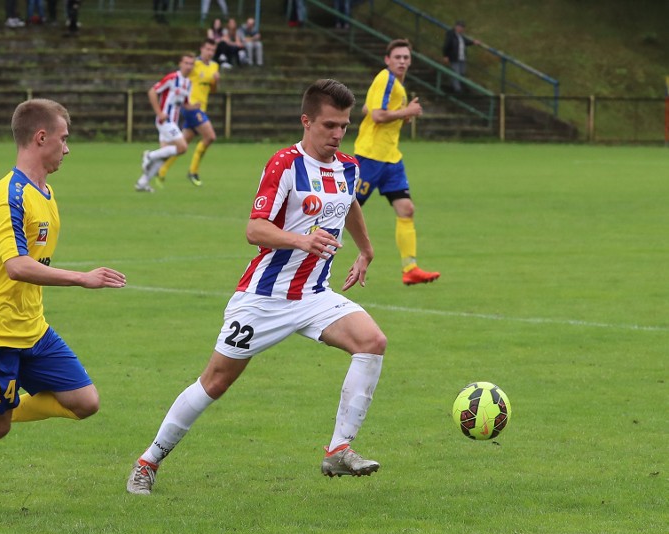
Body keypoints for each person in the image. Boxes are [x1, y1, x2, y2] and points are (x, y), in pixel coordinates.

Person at [127, 79, 388, 496]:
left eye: (344, 125)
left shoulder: (348, 166)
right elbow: (254, 229)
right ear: (306, 122)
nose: (338, 134)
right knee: (214, 381)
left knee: (372, 342)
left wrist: (367, 251)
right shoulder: (284, 164)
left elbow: (349, 203)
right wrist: (302, 240)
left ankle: (339, 448)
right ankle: (148, 460)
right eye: (329, 126)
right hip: (264, 298)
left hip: (315, 295)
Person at [0, 99, 127, 509]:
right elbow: (16, 266)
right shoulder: (9, 196)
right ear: (41, 137)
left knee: (86, 403)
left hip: (31, 325)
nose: (67, 148)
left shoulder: (45, 192)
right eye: (64, 139)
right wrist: (81, 278)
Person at [354, 39, 440, 286]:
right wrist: (407, 112)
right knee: (342, 211)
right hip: (370, 157)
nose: (402, 61)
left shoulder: (395, 86)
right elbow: (378, 115)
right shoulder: (386, 79)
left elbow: (366, 109)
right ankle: (301, 251)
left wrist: (402, 115)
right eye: (398, 57)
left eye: (406, 57)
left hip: (391, 158)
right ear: (387, 60)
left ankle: (410, 268)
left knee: (406, 209)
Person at [156, 39, 220, 188]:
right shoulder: (193, 65)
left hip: (201, 108)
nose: (210, 52)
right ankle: (193, 172)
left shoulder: (215, 66)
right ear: (202, 49)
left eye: (212, 50)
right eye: (207, 49)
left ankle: (162, 170)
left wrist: (216, 81)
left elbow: (214, 90)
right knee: (210, 136)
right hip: (191, 107)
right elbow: (181, 77)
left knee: (183, 144)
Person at [135, 54, 195, 193]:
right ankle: (149, 155)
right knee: (182, 148)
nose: (189, 66)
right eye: (186, 63)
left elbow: (185, 104)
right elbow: (152, 92)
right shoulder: (172, 78)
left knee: (164, 156)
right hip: (165, 120)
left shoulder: (189, 83)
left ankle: (142, 183)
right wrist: (159, 112)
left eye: (191, 64)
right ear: (180, 63)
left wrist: (195, 107)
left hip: (173, 122)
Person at [442, 20, 479, 93]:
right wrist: (446, 56)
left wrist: (473, 42)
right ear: (456, 27)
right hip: (454, 58)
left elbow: (466, 42)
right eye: (459, 27)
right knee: (456, 73)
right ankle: (457, 89)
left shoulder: (461, 37)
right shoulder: (451, 35)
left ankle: (456, 86)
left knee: (462, 72)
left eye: (462, 27)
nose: (461, 29)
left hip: (462, 58)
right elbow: (446, 45)